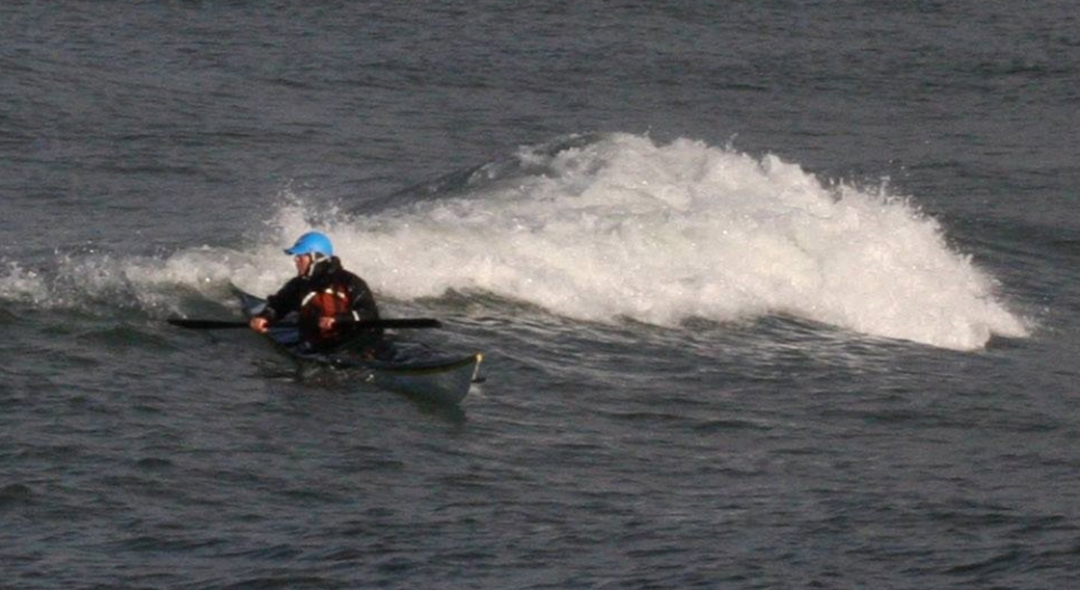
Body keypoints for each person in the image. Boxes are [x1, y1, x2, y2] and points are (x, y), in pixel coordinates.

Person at [249, 231, 381, 351]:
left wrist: (338, 319)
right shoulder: (298, 285)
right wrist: (264, 317)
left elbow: (370, 313)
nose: (296, 259)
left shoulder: (350, 282)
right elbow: (278, 305)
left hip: (353, 343)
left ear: (316, 258)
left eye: (301, 256)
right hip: (317, 345)